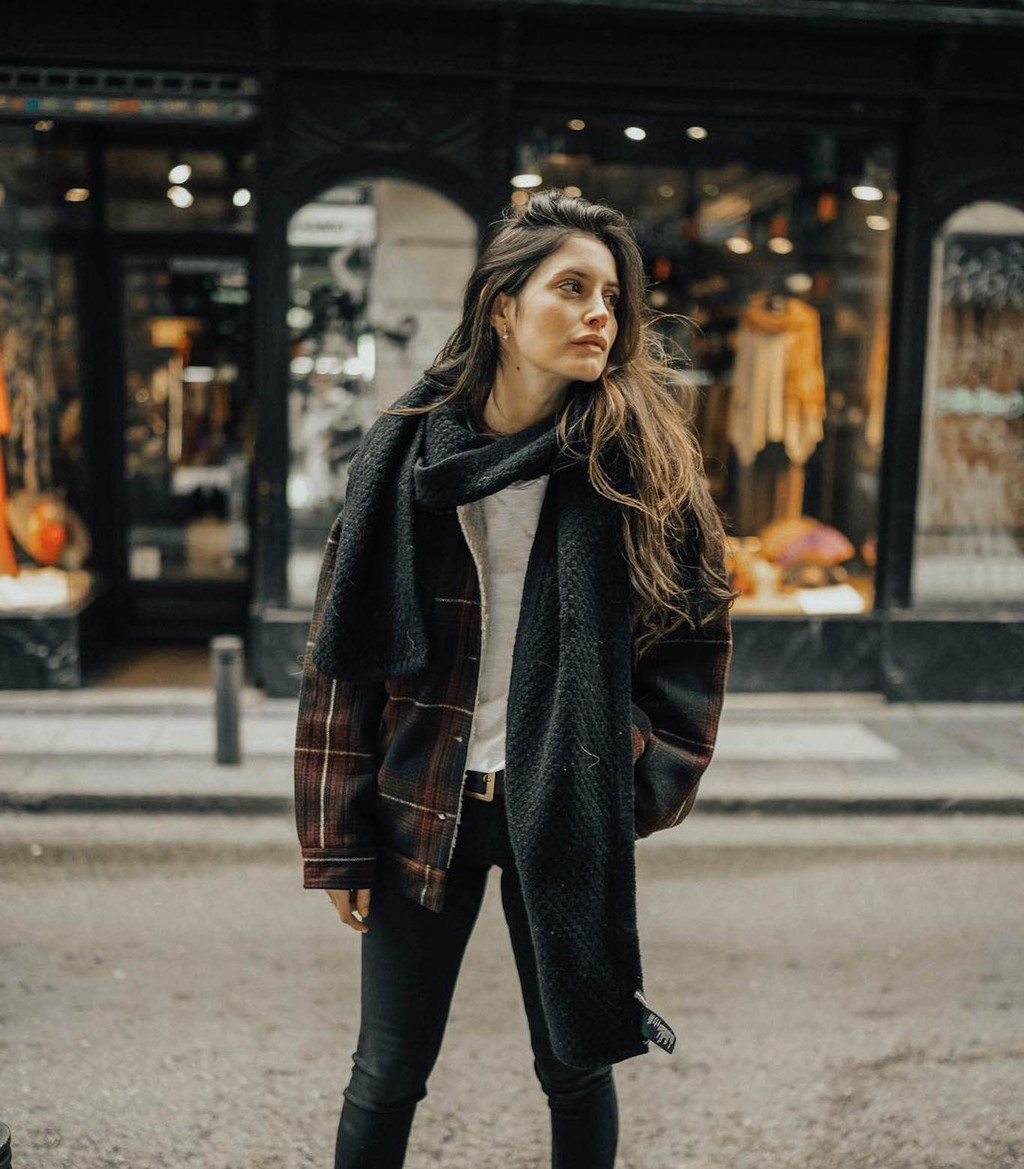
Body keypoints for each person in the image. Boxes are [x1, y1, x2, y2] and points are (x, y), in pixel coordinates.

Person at [293, 188, 736, 1169]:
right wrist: (335, 836)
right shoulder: (403, 458)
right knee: (386, 1069)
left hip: (566, 805)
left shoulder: (638, 464)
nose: (599, 316)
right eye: (571, 288)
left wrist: (633, 772)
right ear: (501, 305)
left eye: (611, 298)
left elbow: (698, 634)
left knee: (577, 1065)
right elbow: (342, 662)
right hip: (425, 798)